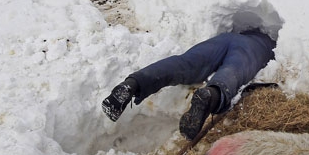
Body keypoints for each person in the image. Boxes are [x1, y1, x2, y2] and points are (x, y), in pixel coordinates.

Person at [101, 29, 276, 139]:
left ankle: (133, 84)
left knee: (185, 63)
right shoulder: (272, 44)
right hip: (255, 49)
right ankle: (211, 95)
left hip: (226, 39)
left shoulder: (243, 31)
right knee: (232, 71)